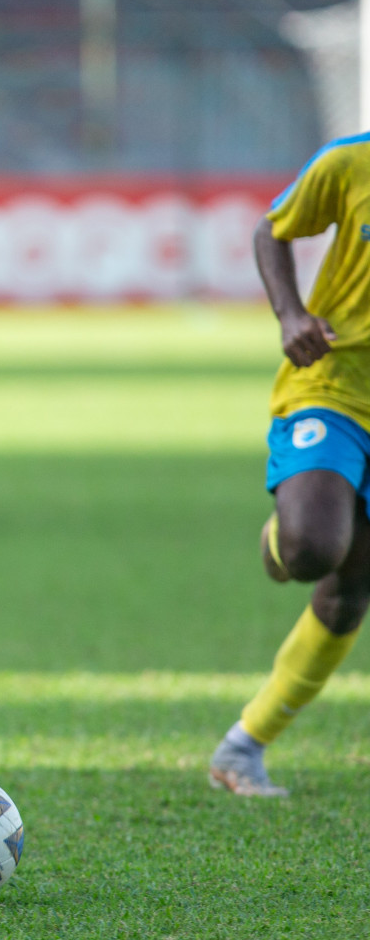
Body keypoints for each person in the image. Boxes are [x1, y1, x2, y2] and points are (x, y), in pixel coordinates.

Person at [208, 132, 370, 797]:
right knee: (311, 550)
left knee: (350, 592)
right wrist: (290, 313)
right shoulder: (351, 161)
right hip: (333, 384)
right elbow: (272, 229)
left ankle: (243, 747)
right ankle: (285, 534)